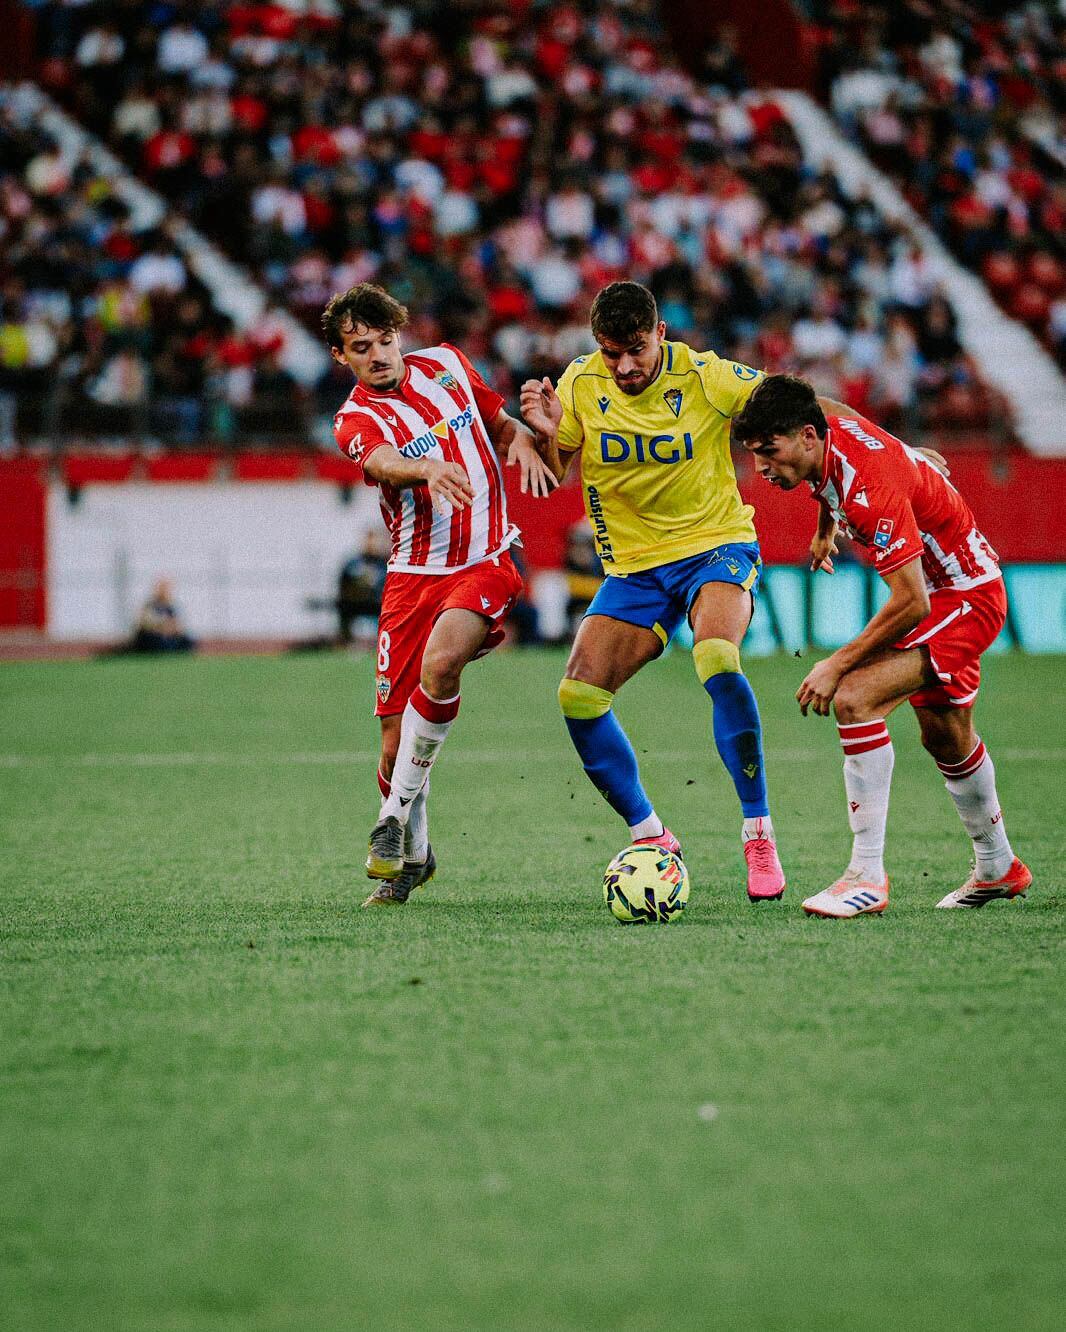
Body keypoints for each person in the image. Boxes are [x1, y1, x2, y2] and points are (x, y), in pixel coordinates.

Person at [519, 281, 855, 901]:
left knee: (716, 656)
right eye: (611, 352)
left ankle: (758, 831)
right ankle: (651, 835)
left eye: (636, 350)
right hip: (634, 569)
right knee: (578, 696)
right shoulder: (578, 385)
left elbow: (798, 407)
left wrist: (891, 449)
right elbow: (554, 469)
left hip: (715, 544)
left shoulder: (705, 377)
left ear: (661, 334)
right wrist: (543, 432)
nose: (624, 367)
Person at [731, 373, 1031, 916]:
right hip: (949, 590)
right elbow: (830, 406)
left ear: (806, 437)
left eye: (769, 453)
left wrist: (837, 662)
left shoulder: (870, 489)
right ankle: (999, 866)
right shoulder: (827, 425)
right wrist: (828, 523)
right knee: (946, 735)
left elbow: (911, 601)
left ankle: (865, 875)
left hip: (963, 597)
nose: (762, 467)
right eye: (754, 454)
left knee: (853, 696)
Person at [325, 283, 555, 908]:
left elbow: (501, 423)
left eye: (384, 339)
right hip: (409, 576)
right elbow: (379, 463)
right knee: (395, 743)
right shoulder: (354, 417)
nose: (377, 355)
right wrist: (425, 467)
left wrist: (529, 439)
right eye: (360, 347)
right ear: (342, 358)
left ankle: (392, 819)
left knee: (442, 663)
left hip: (486, 557)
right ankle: (416, 856)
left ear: (401, 333)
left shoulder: (450, 365)